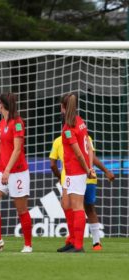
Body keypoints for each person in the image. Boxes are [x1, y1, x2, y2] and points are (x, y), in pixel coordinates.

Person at [0, 92, 32, 253]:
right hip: (1, 170)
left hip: (17, 172)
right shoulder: (1, 123)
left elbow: (18, 149)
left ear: (1, 105)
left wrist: (7, 170)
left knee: (21, 210)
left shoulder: (17, 123)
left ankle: (27, 245)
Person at [50, 134, 115, 251]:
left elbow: (53, 164)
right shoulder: (86, 137)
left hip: (72, 179)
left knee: (72, 208)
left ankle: (75, 242)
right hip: (88, 177)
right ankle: (95, 243)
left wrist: (59, 177)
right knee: (89, 209)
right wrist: (106, 171)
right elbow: (92, 157)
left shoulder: (58, 141)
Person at [60, 93, 96, 253]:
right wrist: (89, 167)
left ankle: (79, 245)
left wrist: (88, 169)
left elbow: (79, 153)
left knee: (77, 207)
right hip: (72, 171)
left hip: (75, 171)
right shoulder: (80, 121)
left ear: (63, 108)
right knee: (66, 204)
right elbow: (88, 145)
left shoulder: (68, 128)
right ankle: (72, 240)